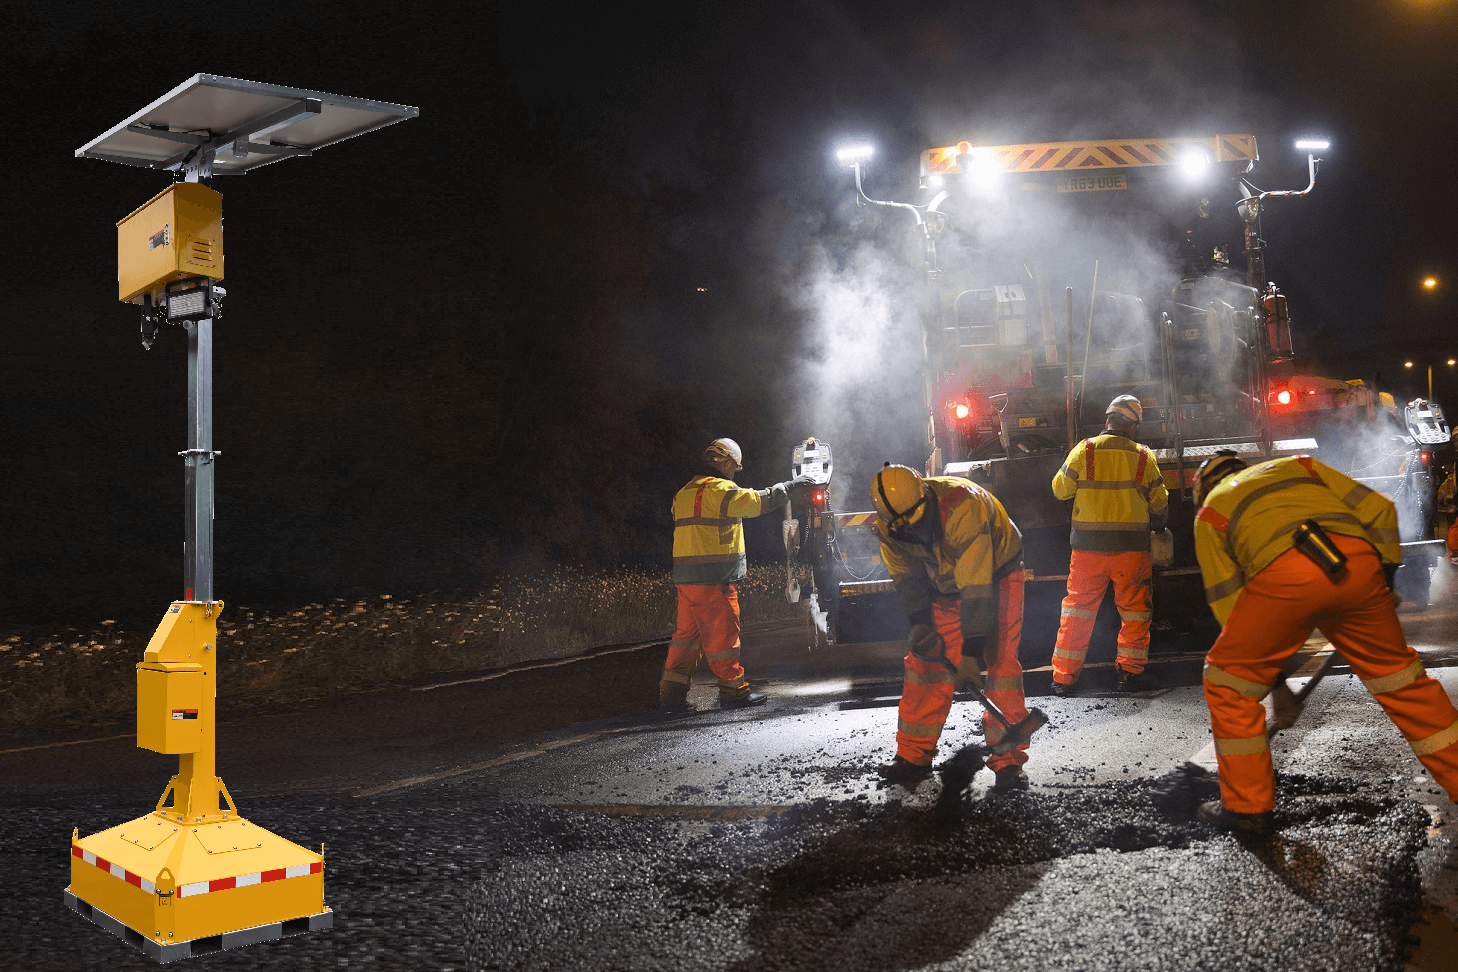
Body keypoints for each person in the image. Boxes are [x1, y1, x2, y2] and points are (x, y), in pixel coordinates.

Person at [1192, 450, 1458, 832]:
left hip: (1286, 576)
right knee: (1401, 681)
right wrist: (1382, 579)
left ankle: (1247, 808)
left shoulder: (1210, 512)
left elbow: (1230, 608)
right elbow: (1381, 510)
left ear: (1204, 489)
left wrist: (1276, 685)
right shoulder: (1299, 465)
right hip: (1356, 565)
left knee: (1226, 682)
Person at [870, 463, 1032, 792]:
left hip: (997, 573)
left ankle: (1008, 761)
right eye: (907, 531)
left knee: (999, 663)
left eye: (919, 524)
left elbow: (976, 587)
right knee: (925, 666)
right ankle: (913, 758)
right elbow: (906, 578)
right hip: (943, 583)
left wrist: (971, 656)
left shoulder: (964, 506)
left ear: (926, 499)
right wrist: (919, 624)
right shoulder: (889, 527)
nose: (915, 533)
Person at [661, 437, 811, 712]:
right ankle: (733, 691)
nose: (733, 472)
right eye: (734, 467)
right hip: (714, 578)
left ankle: (672, 695)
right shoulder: (721, 490)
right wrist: (789, 487)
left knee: (686, 637)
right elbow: (756, 502)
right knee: (723, 636)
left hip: (685, 580)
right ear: (727, 463)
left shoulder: (682, 493)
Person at [1049, 394, 1170, 694]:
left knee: (1077, 611)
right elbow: (1160, 502)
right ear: (1133, 426)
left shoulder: (1085, 450)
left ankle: (1063, 679)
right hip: (1131, 551)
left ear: (1108, 421)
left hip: (1087, 551)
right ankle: (1129, 674)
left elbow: (1059, 490)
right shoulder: (1143, 456)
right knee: (1135, 612)